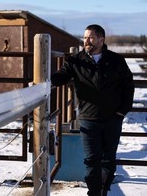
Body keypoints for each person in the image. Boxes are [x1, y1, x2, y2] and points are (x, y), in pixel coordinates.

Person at [51, 24, 134, 196]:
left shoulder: (116, 60)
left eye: (90, 38)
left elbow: (128, 85)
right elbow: (61, 77)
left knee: (108, 158)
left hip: (113, 118)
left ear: (101, 40)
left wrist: (122, 111)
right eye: (85, 37)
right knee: (91, 160)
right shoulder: (76, 60)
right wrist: (45, 81)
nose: (86, 41)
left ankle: (104, 190)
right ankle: (94, 193)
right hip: (89, 118)